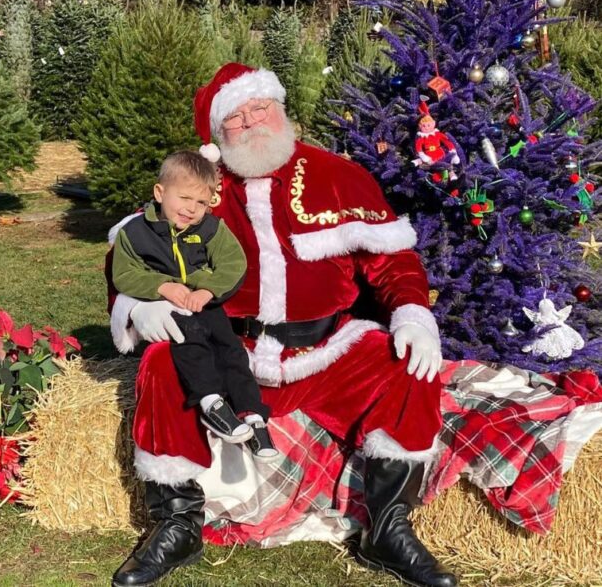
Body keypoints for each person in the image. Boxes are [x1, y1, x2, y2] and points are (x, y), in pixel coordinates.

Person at [108, 63, 457, 587]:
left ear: (280, 107)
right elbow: (129, 250)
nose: (251, 121)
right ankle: (177, 522)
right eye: (236, 116)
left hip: (328, 352)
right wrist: (138, 306)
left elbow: (394, 262)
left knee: (410, 365)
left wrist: (411, 314)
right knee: (163, 362)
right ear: (217, 133)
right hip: (230, 352)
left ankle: (387, 526)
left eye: (260, 106)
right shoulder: (199, 187)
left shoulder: (337, 176)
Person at [111, 150, 278, 460]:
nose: (192, 209)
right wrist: (160, 286)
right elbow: (123, 274)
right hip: (170, 308)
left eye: (201, 202)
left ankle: (254, 417)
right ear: (160, 193)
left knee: (231, 351)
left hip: (204, 304)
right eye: (185, 198)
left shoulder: (211, 229)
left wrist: (208, 291)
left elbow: (233, 262)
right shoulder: (134, 234)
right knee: (191, 344)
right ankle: (211, 403)